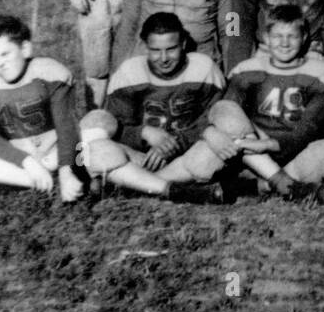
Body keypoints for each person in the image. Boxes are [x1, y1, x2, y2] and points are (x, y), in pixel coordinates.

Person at [151, 5, 324, 198]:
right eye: (277, 36)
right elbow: (223, 113)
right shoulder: (247, 70)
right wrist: (212, 133)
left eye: (292, 36)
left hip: (291, 153)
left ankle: (255, 186)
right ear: (266, 38)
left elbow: (309, 130)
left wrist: (268, 144)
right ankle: (283, 185)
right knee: (222, 116)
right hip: (246, 153)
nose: (284, 43)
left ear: (304, 38)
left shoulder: (319, 73)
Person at [73, 13, 228, 197]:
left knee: (218, 148)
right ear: (144, 47)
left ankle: (134, 185)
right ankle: (171, 189)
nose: (163, 58)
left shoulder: (203, 68)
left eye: (171, 49)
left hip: (185, 158)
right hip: (141, 158)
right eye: (155, 50)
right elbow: (116, 127)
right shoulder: (130, 72)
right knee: (92, 141)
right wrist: (144, 133)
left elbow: (215, 120)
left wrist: (176, 143)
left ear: (183, 44)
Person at [0, 15, 88, 202]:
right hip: (13, 157)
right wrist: (27, 162)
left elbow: (66, 127)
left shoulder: (49, 72)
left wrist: (65, 171)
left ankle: (16, 180)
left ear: (25, 49)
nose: (0, 63)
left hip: (53, 154)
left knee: (92, 137)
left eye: (5, 54)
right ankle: (42, 182)